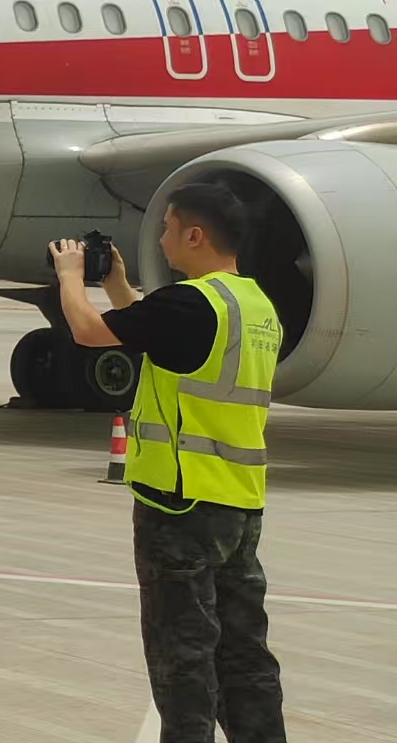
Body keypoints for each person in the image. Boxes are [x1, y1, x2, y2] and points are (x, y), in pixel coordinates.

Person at [52, 185, 285, 743]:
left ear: (194, 235)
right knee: (244, 653)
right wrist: (117, 285)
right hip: (238, 503)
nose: (161, 239)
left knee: (182, 656)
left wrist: (69, 275)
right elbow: (161, 334)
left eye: (167, 228)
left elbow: (88, 331)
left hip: (179, 507)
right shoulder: (253, 305)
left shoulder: (190, 304)